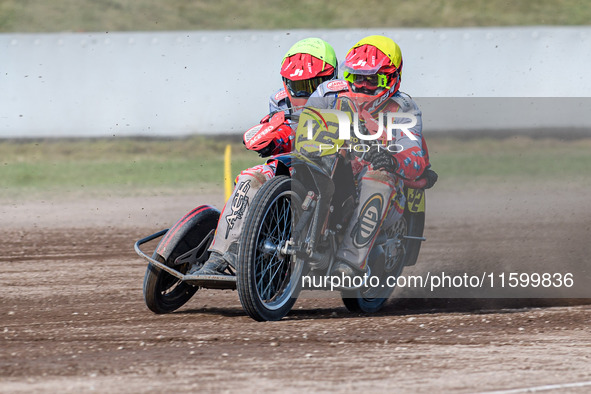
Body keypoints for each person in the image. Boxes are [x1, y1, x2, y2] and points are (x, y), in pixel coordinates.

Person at [189, 37, 339, 276]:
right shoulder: (279, 100)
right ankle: (220, 255)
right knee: (250, 177)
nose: (303, 92)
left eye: (311, 85)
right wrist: (273, 138)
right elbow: (277, 126)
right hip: (294, 167)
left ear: (330, 79)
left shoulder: (345, 99)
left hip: (336, 171)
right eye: (297, 85)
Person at [304, 35, 437, 280]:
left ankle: (350, 261)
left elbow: (415, 154)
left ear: (392, 79)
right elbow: (302, 126)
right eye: (356, 78)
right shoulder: (329, 93)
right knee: (271, 170)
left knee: (380, 178)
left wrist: (393, 159)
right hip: (331, 173)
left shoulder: (403, 108)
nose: (363, 86)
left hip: (380, 190)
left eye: (372, 80)